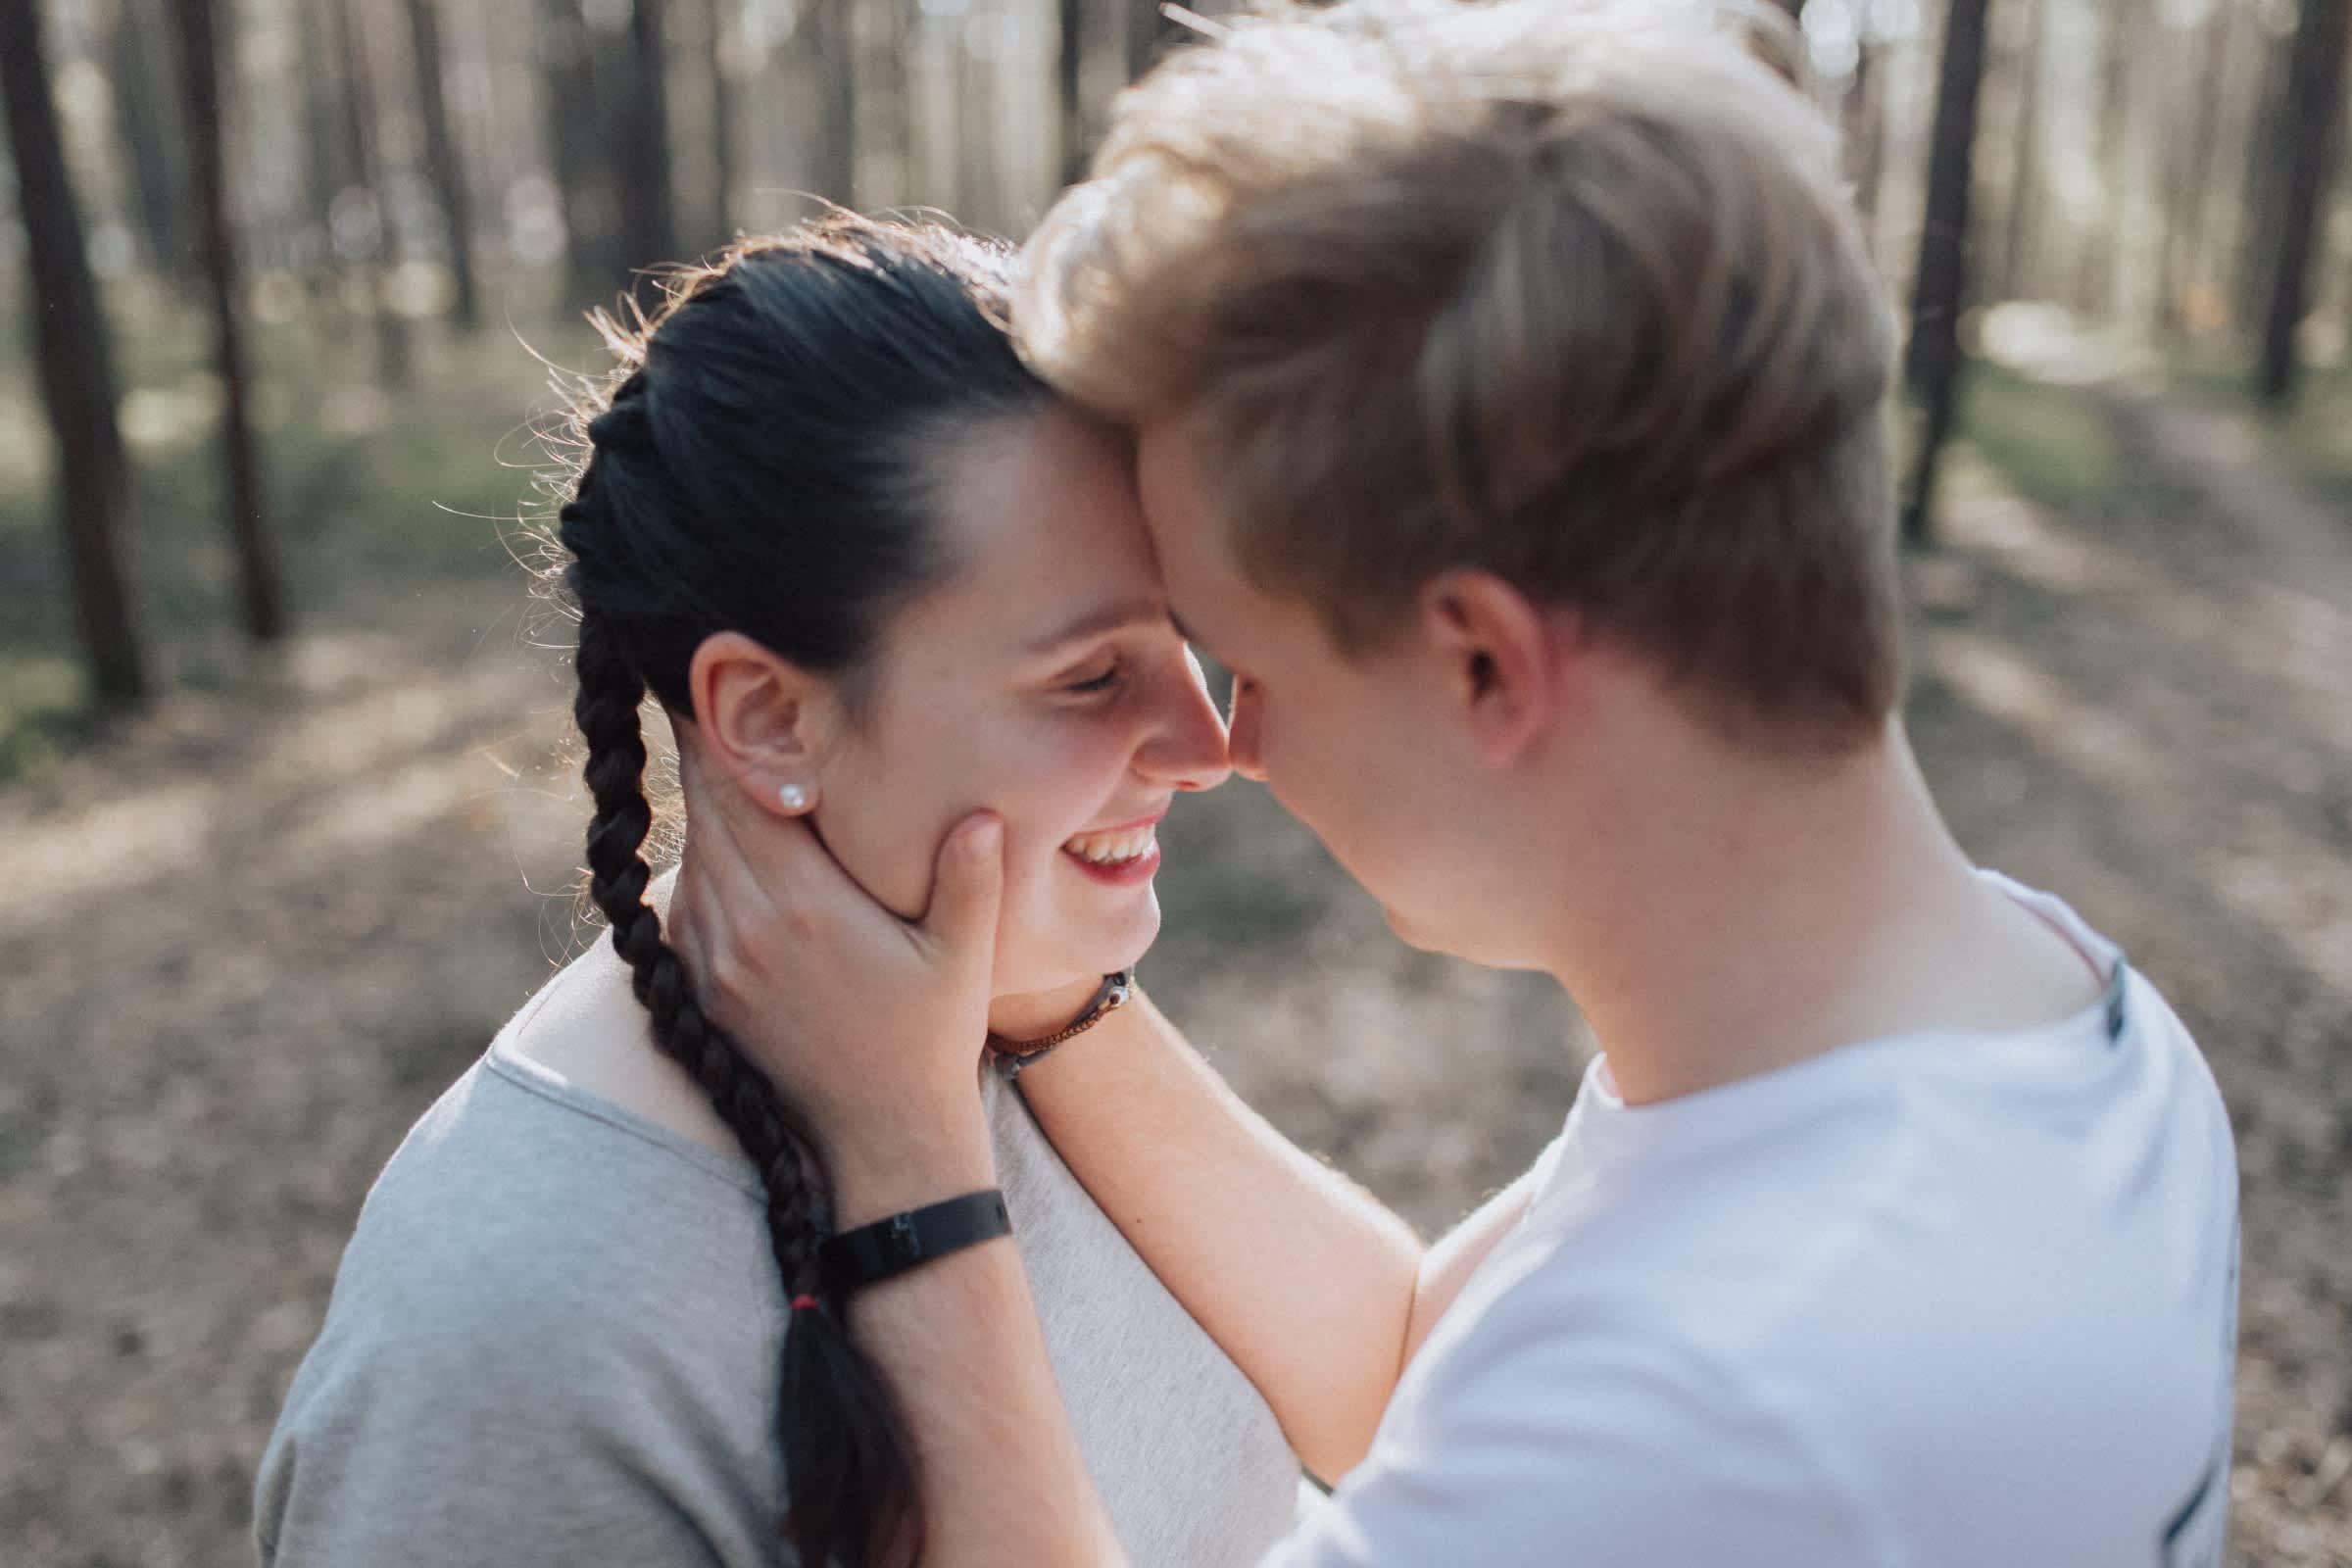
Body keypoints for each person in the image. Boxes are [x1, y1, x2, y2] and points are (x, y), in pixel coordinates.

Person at [664, 2, 2244, 1563]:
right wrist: (1041, 990)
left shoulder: (1712, 1403)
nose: (1231, 747)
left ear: (1483, 662)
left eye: (1247, 659)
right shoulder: (2058, 1022)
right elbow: (1413, 1372)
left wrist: (908, 1166)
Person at [254, 219, 1409, 1568]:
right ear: (769, 720)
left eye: (1191, 645)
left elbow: (1403, 1397)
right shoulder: (510, 1340)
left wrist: (1047, 1019)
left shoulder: (1014, 1002)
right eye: (1093, 677)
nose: (1210, 750)